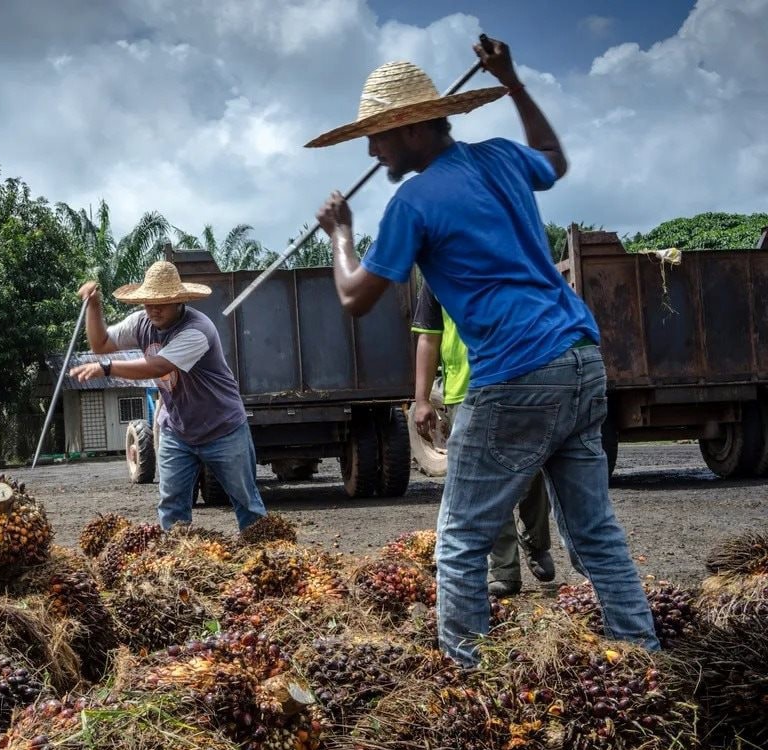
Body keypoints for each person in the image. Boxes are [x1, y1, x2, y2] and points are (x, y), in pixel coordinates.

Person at [306, 37, 658, 665]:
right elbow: (552, 156)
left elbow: (356, 296)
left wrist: (341, 234)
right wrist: (512, 79)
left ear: (412, 129)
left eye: (379, 135)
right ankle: (642, 652)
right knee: (595, 533)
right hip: (579, 361)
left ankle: (468, 684)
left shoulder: (412, 202)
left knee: (461, 539)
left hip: (517, 373)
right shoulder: (499, 157)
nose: (370, 149)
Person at [69, 260, 267, 532]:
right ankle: (174, 565)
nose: (153, 308)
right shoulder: (141, 321)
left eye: (161, 302)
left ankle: (266, 555)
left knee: (246, 503)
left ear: (179, 301)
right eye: (148, 301)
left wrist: (106, 369)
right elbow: (100, 344)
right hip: (178, 431)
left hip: (223, 428)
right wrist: (93, 306)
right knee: (171, 506)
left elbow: (158, 366)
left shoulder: (198, 329)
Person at [411, 282, 555, 597]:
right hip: (465, 392)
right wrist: (422, 399)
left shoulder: (502, 258)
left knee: (530, 471)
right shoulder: (436, 278)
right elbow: (428, 337)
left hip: (516, 382)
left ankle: (536, 540)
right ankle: (504, 569)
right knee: (487, 482)